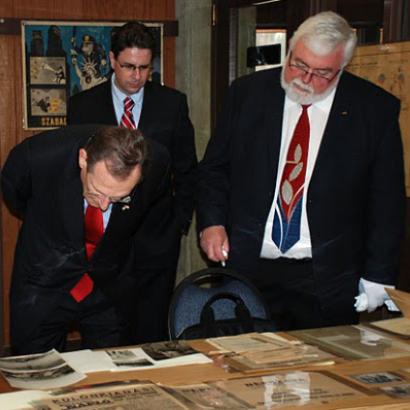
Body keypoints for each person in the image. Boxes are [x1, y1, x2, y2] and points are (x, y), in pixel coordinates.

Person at [197, 11, 405, 331]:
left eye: (321, 73)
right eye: (299, 64)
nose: (305, 79)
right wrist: (212, 223)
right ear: (290, 50)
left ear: (342, 68)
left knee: (325, 360)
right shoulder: (248, 94)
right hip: (250, 266)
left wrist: (378, 275)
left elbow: (386, 202)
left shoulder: (373, 110)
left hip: (327, 276)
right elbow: (215, 168)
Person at [67, 21, 197, 342]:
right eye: (128, 66)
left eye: (144, 67)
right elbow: (75, 170)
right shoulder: (83, 106)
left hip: (157, 236)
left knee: (152, 330)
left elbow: (187, 168)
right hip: (104, 237)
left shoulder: (172, 103)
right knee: (106, 328)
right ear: (112, 60)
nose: (136, 76)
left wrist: (179, 223)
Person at [1, 124, 171, 354]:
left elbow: (151, 213)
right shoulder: (38, 156)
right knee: (37, 369)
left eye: (119, 198)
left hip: (109, 282)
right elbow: (15, 196)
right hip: (44, 279)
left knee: (111, 369)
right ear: (83, 159)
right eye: (97, 192)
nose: (104, 206)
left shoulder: (157, 162)